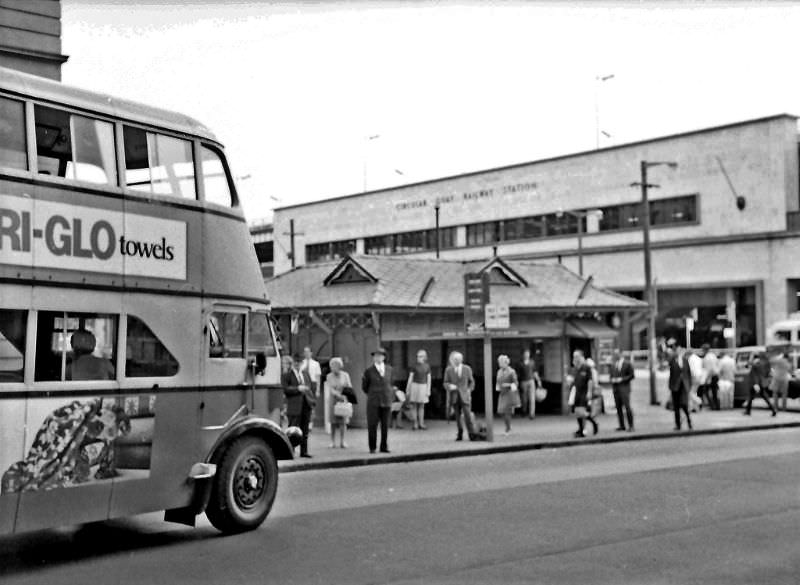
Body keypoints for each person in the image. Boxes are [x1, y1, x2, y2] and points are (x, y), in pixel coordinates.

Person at [282, 353, 316, 458]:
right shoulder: (287, 375)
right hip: (294, 405)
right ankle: (290, 451)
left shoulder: (305, 374)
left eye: (299, 362)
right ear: (293, 363)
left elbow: (310, 387)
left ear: (302, 363)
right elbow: (285, 389)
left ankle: (304, 452)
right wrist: (298, 389)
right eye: (295, 362)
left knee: (305, 430)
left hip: (306, 404)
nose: (297, 364)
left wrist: (312, 400)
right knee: (292, 430)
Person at [362, 347, 394, 454]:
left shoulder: (389, 369)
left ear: (384, 357)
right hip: (373, 401)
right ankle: (372, 447)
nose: (377, 358)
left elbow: (391, 383)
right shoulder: (369, 371)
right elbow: (365, 387)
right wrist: (373, 393)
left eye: (379, 356)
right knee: (372, 425)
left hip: (386, 400)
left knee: (385, 425)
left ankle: (384, 446)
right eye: (375, 356)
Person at [443, 351, 476, 441]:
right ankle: (460, 433)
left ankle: (471, 433)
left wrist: (469, 390)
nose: (456, 361)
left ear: (461, 359)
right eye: (454, 359)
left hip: (464, 395)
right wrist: (450, 386)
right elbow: (445, 382)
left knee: (467, 415)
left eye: (457, 359)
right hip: (454, 396)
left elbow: (471, 381)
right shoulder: (448, 370)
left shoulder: (467, 369)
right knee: (457, 417)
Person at [326, 357, 352, 448]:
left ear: (340, 366)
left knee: (343, 422)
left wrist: (344, 395)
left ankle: (342, 441)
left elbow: (349, 387)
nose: (333, 368)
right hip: (333, 400)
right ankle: (332, 441)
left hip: (343, 400)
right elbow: (330, 388)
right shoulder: (329, 376)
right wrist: (337, 394)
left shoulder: (345, 375)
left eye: (335, 365)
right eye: (332, 366)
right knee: (333, 422)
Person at [570, 350, 598, 437]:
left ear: (581, 357)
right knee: (577, 412)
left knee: (582, 412)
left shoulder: (586, 367)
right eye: (574, 356)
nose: (575, 358)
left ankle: (594, 423)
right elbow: (573, 380)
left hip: (584, 392)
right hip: (576, 392)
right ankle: (580, 430)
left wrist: (589, 392)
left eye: (577, 356)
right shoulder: (575, 368)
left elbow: (590, 381)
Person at [667, 340, 692, 430]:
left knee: (684, 405)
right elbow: (671, 374)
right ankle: (678, 424)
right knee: (676, 406)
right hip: (675, 386)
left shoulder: (685, 360)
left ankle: (689, 421)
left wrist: (689, 385)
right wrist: (670, 386)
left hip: (684, 386)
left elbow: (688, 374)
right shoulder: (673, 360)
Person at [744, 352, 777, 416]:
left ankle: (748, 411)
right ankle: (773, 409)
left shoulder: (756, 365)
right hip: (761, 383)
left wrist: (756, 384)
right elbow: (767, 373)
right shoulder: (763, 364)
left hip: (755, 383)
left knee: (751, 397)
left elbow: (754, 374)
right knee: (763, 397)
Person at [405, 349, 431, 430]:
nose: (418, 358)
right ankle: (415, 423)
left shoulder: (427, 366)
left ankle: (421, 423)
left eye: (420, 356)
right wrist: (408, 388)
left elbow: (429, 379)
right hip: (414, 386)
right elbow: (410, 377)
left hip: (423, 386)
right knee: (414, 405)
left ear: (425, 357)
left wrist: (428, 390)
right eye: (417, 356)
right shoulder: (414, 366)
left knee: (422, 406)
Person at [610, 348, 635, 432]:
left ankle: (631, 426)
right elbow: (611, 376)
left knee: (627, 407)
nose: (615, 355)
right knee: (618, 408)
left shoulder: (627, 364)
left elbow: (632, 375)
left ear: (621, 354)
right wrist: (612, 380)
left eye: (617, 354)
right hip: (616, 389)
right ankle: (621, 425)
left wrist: (622, 379)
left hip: (624, 389)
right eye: (614, 354)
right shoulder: (613, 364)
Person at [495, 354, 520, 436]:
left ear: (505, 363)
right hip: (502, 393)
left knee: (507, 412)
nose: (499, 364)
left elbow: (516, 383)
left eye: (501, 362)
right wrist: (498, 386)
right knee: (500, 411)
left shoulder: (511, 371)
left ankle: (507, 429)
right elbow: (498, 381)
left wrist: (508, 385)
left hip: (509, 394)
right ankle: (508, 425)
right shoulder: (499, 371)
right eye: (499, 362)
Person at [519, 349, 542, 420]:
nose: (526, 355)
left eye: (527, 353)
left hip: (531, 381)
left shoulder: (532, 362)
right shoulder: (520, 363)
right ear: (523, 355)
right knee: (524, 399)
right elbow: (518, 374)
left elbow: (535, 372)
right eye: (525, 354)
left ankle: (532, 414)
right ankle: (524, 411)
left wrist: (538, 380)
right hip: (523, 381)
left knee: (532, 398)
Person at [700, 344, 720, 410]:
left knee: (706, 391)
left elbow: (709, 369)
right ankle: (716, 406)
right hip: (715, 375)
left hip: (711, 376)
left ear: (704, 350)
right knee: (714, 392)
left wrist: (706, 379)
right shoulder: (713, 355)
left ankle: (713, 406)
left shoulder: (707, 358)